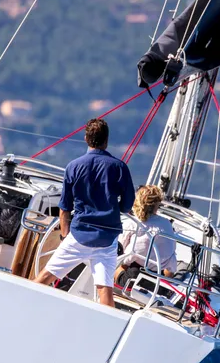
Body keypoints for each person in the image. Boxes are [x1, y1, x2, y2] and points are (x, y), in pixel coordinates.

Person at [34, 118, 135, 307]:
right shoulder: (119, 167)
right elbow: (128, 205)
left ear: (86, 138)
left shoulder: (74, 166)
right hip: (107, 238)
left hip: (79, 235)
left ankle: (24, 304)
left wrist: (65, 236)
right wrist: (115, 210)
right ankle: (109, 328)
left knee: (45, 277)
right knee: (105, 290)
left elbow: (65, 208)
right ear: (106, 140)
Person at [115, 185, 177, 287]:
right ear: (157, 205)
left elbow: (120, 254)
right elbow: (171, 265)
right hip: (155, 282)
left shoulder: (132, 223)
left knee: (115, 265)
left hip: (132, 278)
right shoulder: (167, 225)